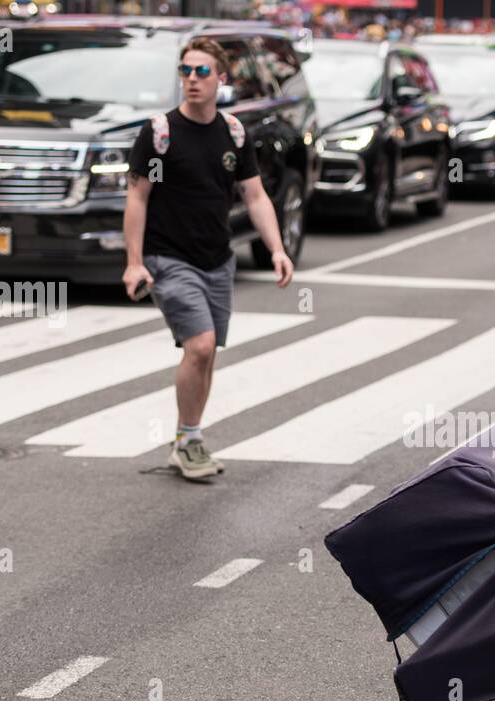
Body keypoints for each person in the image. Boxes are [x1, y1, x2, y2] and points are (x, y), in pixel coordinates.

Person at [124, 38, 295, 481]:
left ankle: (189, 437)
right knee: (198, 346)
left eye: (202, 72)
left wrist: (277, 249)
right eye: (185, 71)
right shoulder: (159, 133)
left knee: (207, 353)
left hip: (217, 260)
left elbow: (255, 195)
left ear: (222, 79)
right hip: (168, 258)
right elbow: (137, 199)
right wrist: (134, 261)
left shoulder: (233, 133)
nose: (192, 80)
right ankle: (188, 439)